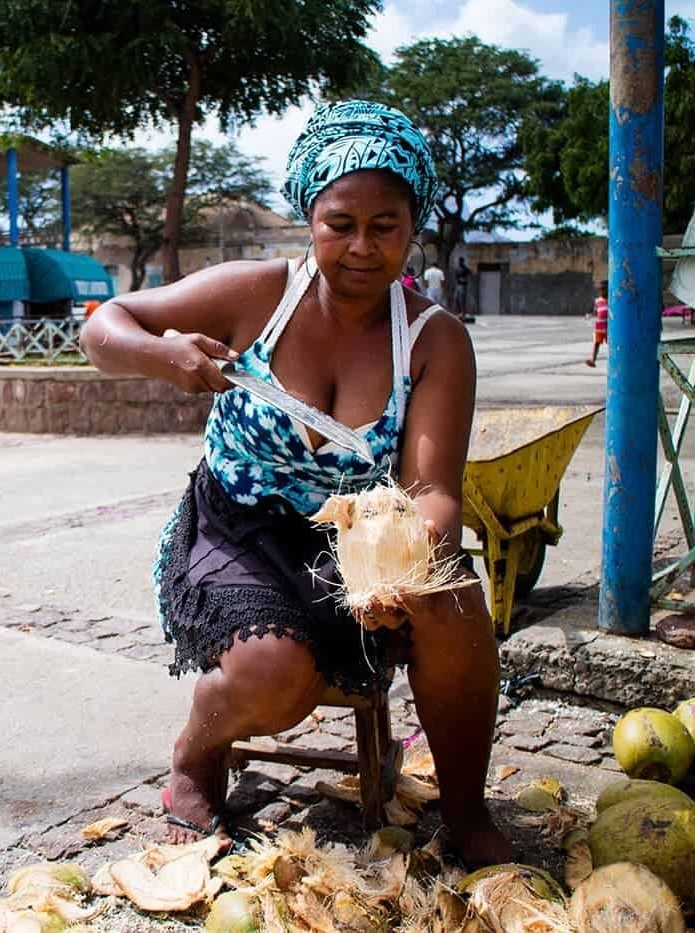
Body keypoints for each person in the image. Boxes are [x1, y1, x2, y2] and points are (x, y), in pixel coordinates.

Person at [80, 99, 512, 867]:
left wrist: (417, 554)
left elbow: (433, 488)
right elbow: (103, 325)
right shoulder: (257, 294)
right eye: (340, 223)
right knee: (275, 677)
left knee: (452, 597)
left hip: (357, 545)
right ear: (309, 217)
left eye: (385, 226)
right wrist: (163, 355)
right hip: (238, 530)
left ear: (413, 227)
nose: (361, 247)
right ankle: (194, 753)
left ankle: (466, 811)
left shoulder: (433, 339)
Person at [586, 281, 608, 367]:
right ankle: (593, 360)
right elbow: (595, 311)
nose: (602, 291)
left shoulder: (611, 300)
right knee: (596, 343)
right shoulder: (597, 301)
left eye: (604, 289)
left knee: (611, 343)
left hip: (608, 327)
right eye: (601, 290)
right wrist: (590, 314)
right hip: (599, 327)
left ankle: (614, 359)